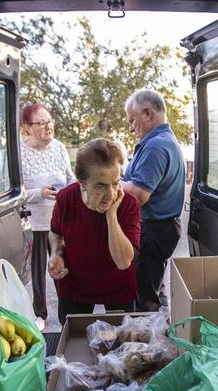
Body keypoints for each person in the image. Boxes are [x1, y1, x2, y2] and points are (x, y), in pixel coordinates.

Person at [48, 138, 141, 324]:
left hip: (118, 286)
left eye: (116, 183)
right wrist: (56, 254)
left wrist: (111, 215)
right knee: (74, 339)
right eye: (100, 185)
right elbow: (55, 232)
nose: (111, 194)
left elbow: (123, 262)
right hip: (75, 284)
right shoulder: (66, 199)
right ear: (82, 182)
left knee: (122, 342)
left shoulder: (129, 204)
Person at [122, 89, 186, 312]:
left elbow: (138, 195)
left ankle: (149, 342)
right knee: (154, 289)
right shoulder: (161, 141)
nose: (130, 128)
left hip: (155, 230)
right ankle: (160, 331)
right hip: (160, 229)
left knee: (145, 297)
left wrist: (109, 183)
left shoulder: (156, 146)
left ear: (147, 113)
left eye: (132, 120)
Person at [19, 103, 74, 330]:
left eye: (49, 121)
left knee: (63, 266)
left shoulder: (60, 147)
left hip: (59, 220)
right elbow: (15, 191)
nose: (47, 127)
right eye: (40, 123)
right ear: (27, 128)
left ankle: (68, 312)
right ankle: (39, 313)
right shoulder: (20, 152)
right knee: (38, 269)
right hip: (34, 220)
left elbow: (71, 178)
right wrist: (38, 193)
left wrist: (68, 191)